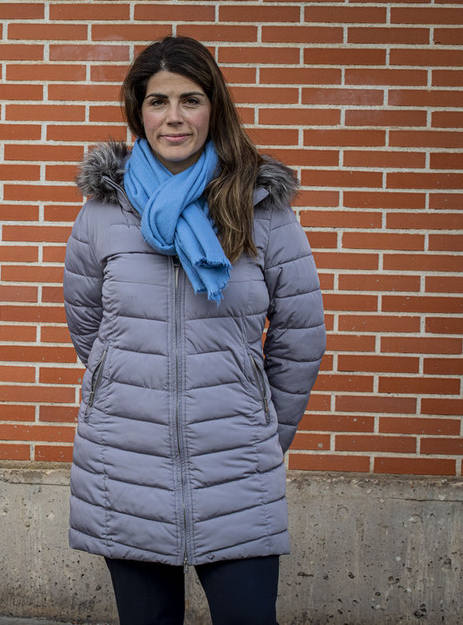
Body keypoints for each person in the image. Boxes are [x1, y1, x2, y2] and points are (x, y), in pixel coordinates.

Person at [63, 36, 326, 625]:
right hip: (127, 461)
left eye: (190, 99)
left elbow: (300, 333)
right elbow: (88, 324)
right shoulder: (104, 211)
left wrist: (262, 431)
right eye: (158, 101)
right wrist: (122, 391)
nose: (173, 117)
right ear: (138, 110)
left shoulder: (261, 206)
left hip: (236, 462)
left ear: (215, 108)